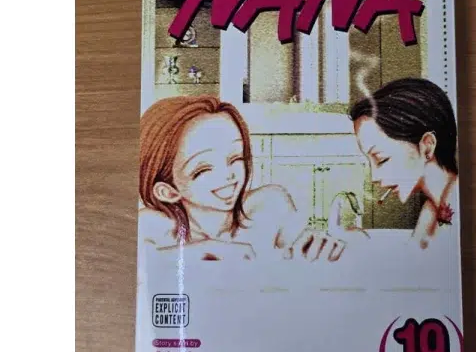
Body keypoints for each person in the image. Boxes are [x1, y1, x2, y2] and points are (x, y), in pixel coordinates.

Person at [139, 95, 346, 261]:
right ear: (168, 191)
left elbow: (303, 244)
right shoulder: (153, 225)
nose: (228, 174)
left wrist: (319, 247)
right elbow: (138, 268)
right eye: (203, 169)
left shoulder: (269, 204)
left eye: (235, 158)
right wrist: (203, 250)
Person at [349, 77, 459, 250]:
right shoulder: (432, 210)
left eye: (382, 159)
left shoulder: (457, 201)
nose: (374, 177)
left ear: (427, 146)